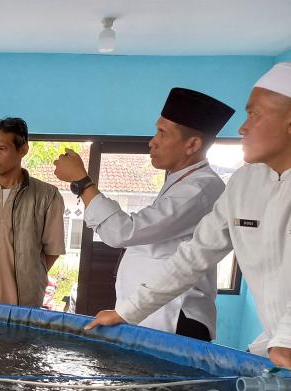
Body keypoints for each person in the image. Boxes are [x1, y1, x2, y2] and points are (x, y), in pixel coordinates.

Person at [86, 62, 291, 369]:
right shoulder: (245, 182)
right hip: (276, 345)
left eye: (254, 114)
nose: (242, 128)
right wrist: (128, 311)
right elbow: (195, 254)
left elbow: (122, 232)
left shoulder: (203, 187)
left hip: (263, 339)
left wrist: (286, 341)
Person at [53, 88, 234, 339]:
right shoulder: (180, 182)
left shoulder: (200, 189)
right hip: (151, 315)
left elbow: (122, 231)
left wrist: (82, 182)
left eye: (162, 133)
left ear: (192, 144)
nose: (152, 141)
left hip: (174, 318)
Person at [0, 117, 66, 306]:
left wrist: (28, 275)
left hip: (24, 303)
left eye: (1, 149)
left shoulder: (47, 196)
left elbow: (52, 251)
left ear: (23, 150)